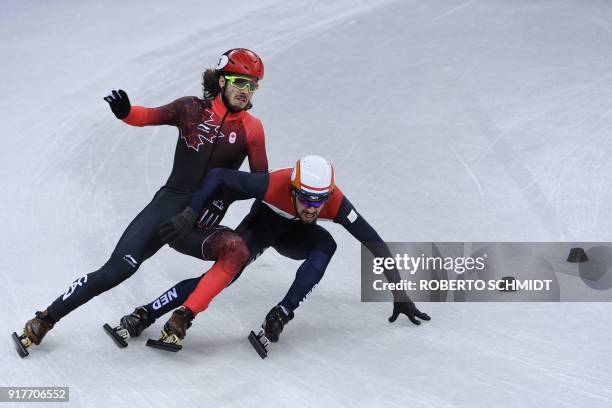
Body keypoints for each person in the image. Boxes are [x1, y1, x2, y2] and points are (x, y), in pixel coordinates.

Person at [13, 48, 268, 356]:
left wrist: (225, 199)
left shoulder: (252, 129)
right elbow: (147, 116)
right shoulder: (191, 109)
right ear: (222, 79)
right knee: (116, 271)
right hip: (166, 210)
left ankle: (180, 317)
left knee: (236, 251)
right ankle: (44, 320)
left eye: (252, 85)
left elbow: (258, 182)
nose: (245, 90)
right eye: (240, 81)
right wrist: (125, 111)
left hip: (198, 223)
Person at [118, 155, 430, 348]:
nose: (312, 207)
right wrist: (190, 213)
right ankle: (146, 313)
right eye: (306, 198)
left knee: (327, 244)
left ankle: (282, 313)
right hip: (260, 226)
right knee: (223, 276)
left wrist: (399, 294)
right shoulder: (272, 184)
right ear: (293, 189)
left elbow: (374, 242)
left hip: (294, 236)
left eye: (319, 200)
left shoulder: (334, 202)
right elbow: (218, 176)